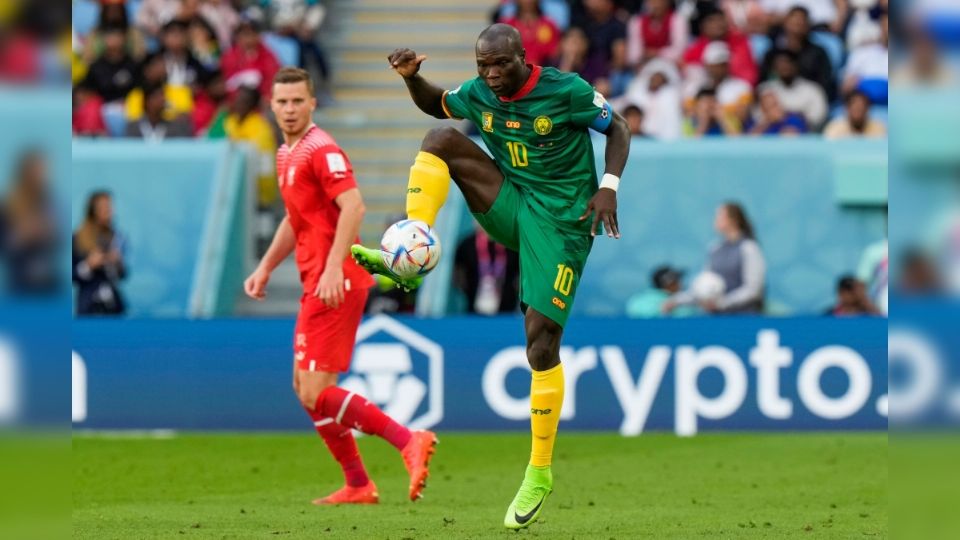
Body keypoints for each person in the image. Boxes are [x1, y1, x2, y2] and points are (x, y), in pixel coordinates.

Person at [349, 24, 630, 529]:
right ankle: (413, 246)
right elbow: (437, 105)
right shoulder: (481, 93)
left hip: (563, 223)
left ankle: (539, 472)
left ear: (523, 58)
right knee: (440, 140)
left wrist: (608, 186)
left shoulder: (566, 90)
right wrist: (413, 78)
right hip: (510, 202)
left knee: (540, 345)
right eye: (484, 66)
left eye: (502, 64)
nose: (492, 75)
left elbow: (620, 128)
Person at [242, 68, 437, 506]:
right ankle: (357, 483)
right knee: (303, 386)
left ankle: (407, 440)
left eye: (298, 101)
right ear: (272, 107)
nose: (290, 109)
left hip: (336, 280)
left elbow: (354, 205)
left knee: (315, 390)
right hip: (318, 277)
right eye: (282, 102)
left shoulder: (321, 149)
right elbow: (297, 220)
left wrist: (333, 267)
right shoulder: (284, 153)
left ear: (312, 103)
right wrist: (265, 268)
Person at [665, 202, 765, 313]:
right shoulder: (715, 249)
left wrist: (723, 303)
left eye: (720, 216)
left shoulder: (749, 248)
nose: (715, 220)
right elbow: (703, 287)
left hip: (744, 319)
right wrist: (676, 301)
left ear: (733, 220)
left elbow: (753, 289)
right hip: (718, 319)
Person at [72, 191, 127, 315]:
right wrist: (88, 265)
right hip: (88, 306)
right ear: (93, 211)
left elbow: (123, 275)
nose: (110, 211)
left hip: (114, 307)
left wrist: (118, 263)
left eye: (110, 207)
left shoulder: (118, 238)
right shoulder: (78, 239)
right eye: (104, 207)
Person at [453, 223, 521, 314]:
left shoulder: (512, 244)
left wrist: (513, 291)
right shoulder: (466, 245)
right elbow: (458, 274)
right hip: (473, 311)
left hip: (506, 312)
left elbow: (522, 274)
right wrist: (469, 290)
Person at [625, 265, 697, 317]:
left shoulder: (683, 298)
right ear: (669, 284)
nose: (680, 284)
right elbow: (633, 310)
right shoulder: (643, 299)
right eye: (676, 281)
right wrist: (661, 309)